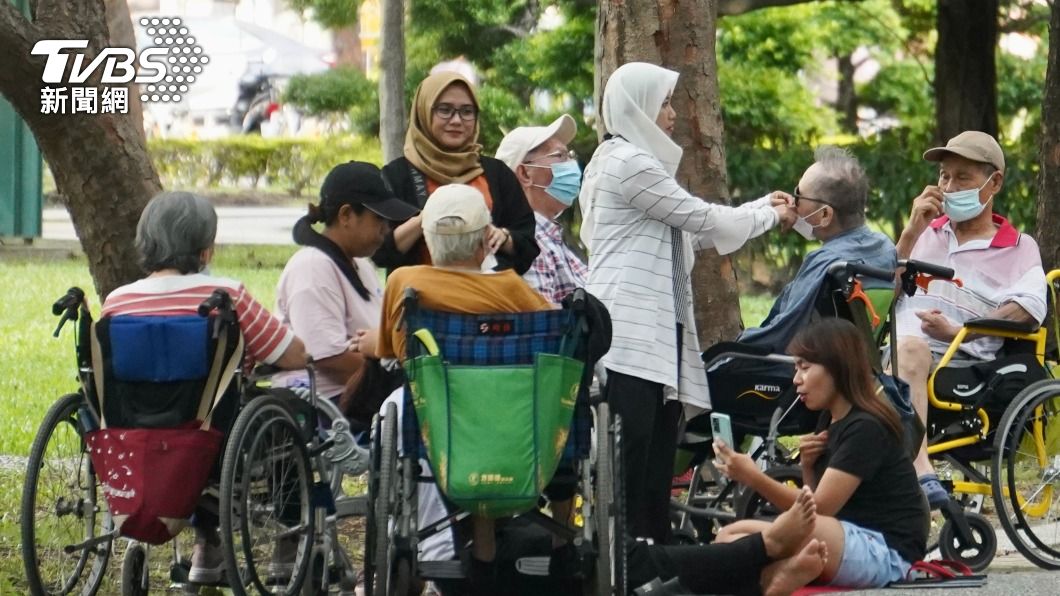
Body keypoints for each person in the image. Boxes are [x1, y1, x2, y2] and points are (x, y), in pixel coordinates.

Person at [578, 61, 796, 544]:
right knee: (633, 456)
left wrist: (762, 207)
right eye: (664, 103)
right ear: (636, 107)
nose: (673, 113)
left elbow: (685, 238)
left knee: (655, 453)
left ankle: (650, 553)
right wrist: (767, 213)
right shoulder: (627, 162)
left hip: (655, 332)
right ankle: (626, 558)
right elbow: (702, 220)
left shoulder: (627, 161)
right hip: (630, 332)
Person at [101, 191, 308, 584]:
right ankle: (287, 538)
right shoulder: (225, 297)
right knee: (290, 410)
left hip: (135, 436)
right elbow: (292, 355)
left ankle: (206, 545)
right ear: (206, 249)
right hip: (211, 440)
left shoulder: (116, 302)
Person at [355, 184, 552, 595]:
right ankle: (481, 553)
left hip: (435, 418)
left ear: (427, 239)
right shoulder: (511, 287)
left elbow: (392, 349)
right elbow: (551, 331)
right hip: (505, 416)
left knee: (398, 411)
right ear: (485, 241)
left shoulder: (406, 282)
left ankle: (433, 541)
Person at [892, 131, 1047, 508]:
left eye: (963, 177)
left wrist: (961, 330)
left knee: (911, 348)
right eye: (945, 176)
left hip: (960, 361)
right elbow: (882, 297)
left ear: (994, 183)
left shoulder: (1018, 246)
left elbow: (1028, 309)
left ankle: (919, 472)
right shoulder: (925, 233)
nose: (948, 186)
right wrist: (911, 232)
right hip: (894, 350)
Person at [714, 318, 929, 590]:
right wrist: (807, 467)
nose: (796, 379)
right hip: (842, 539)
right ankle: (783, 574)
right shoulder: (829, 420)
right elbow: (815, 503)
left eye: (804, 367)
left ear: (838, 368)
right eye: (795, 367)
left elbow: (817, 510)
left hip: (887, 553)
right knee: (728, 535)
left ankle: (781, 572)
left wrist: (754, 477)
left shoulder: (866, 427)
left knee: (797, 531)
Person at [273, 161, 418, 425]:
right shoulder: (312, 267)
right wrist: (393, 371)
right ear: (346, 215)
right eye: (379, 219)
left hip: (367, 392)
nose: (386, 229)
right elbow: (328, 356)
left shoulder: (360, 263)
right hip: (327, 406)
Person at [373, 71, 539, 276]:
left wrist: (504, 238)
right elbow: (379, 251)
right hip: (421, 301)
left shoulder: (497, 174)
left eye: (467, 111)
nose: (457, 120)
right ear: (424, 112)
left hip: (489, 301)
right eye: (445, 110)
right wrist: (426, 218)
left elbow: (528, 245)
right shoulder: (397, 175)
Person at [736, 146, 897, 355]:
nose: (792, 204)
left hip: (803, 371)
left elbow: (780, 333)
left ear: (825, 215)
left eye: (799, 196)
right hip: (856, 369)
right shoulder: (886, 248)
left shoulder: (826, 261)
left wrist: (736, 346)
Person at [495, 114, 588, 305]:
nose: (571, 165)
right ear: (524, 173)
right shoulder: (528, 244)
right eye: (559, 156)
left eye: (569, 156)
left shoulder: (552, 239)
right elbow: (541, 323)